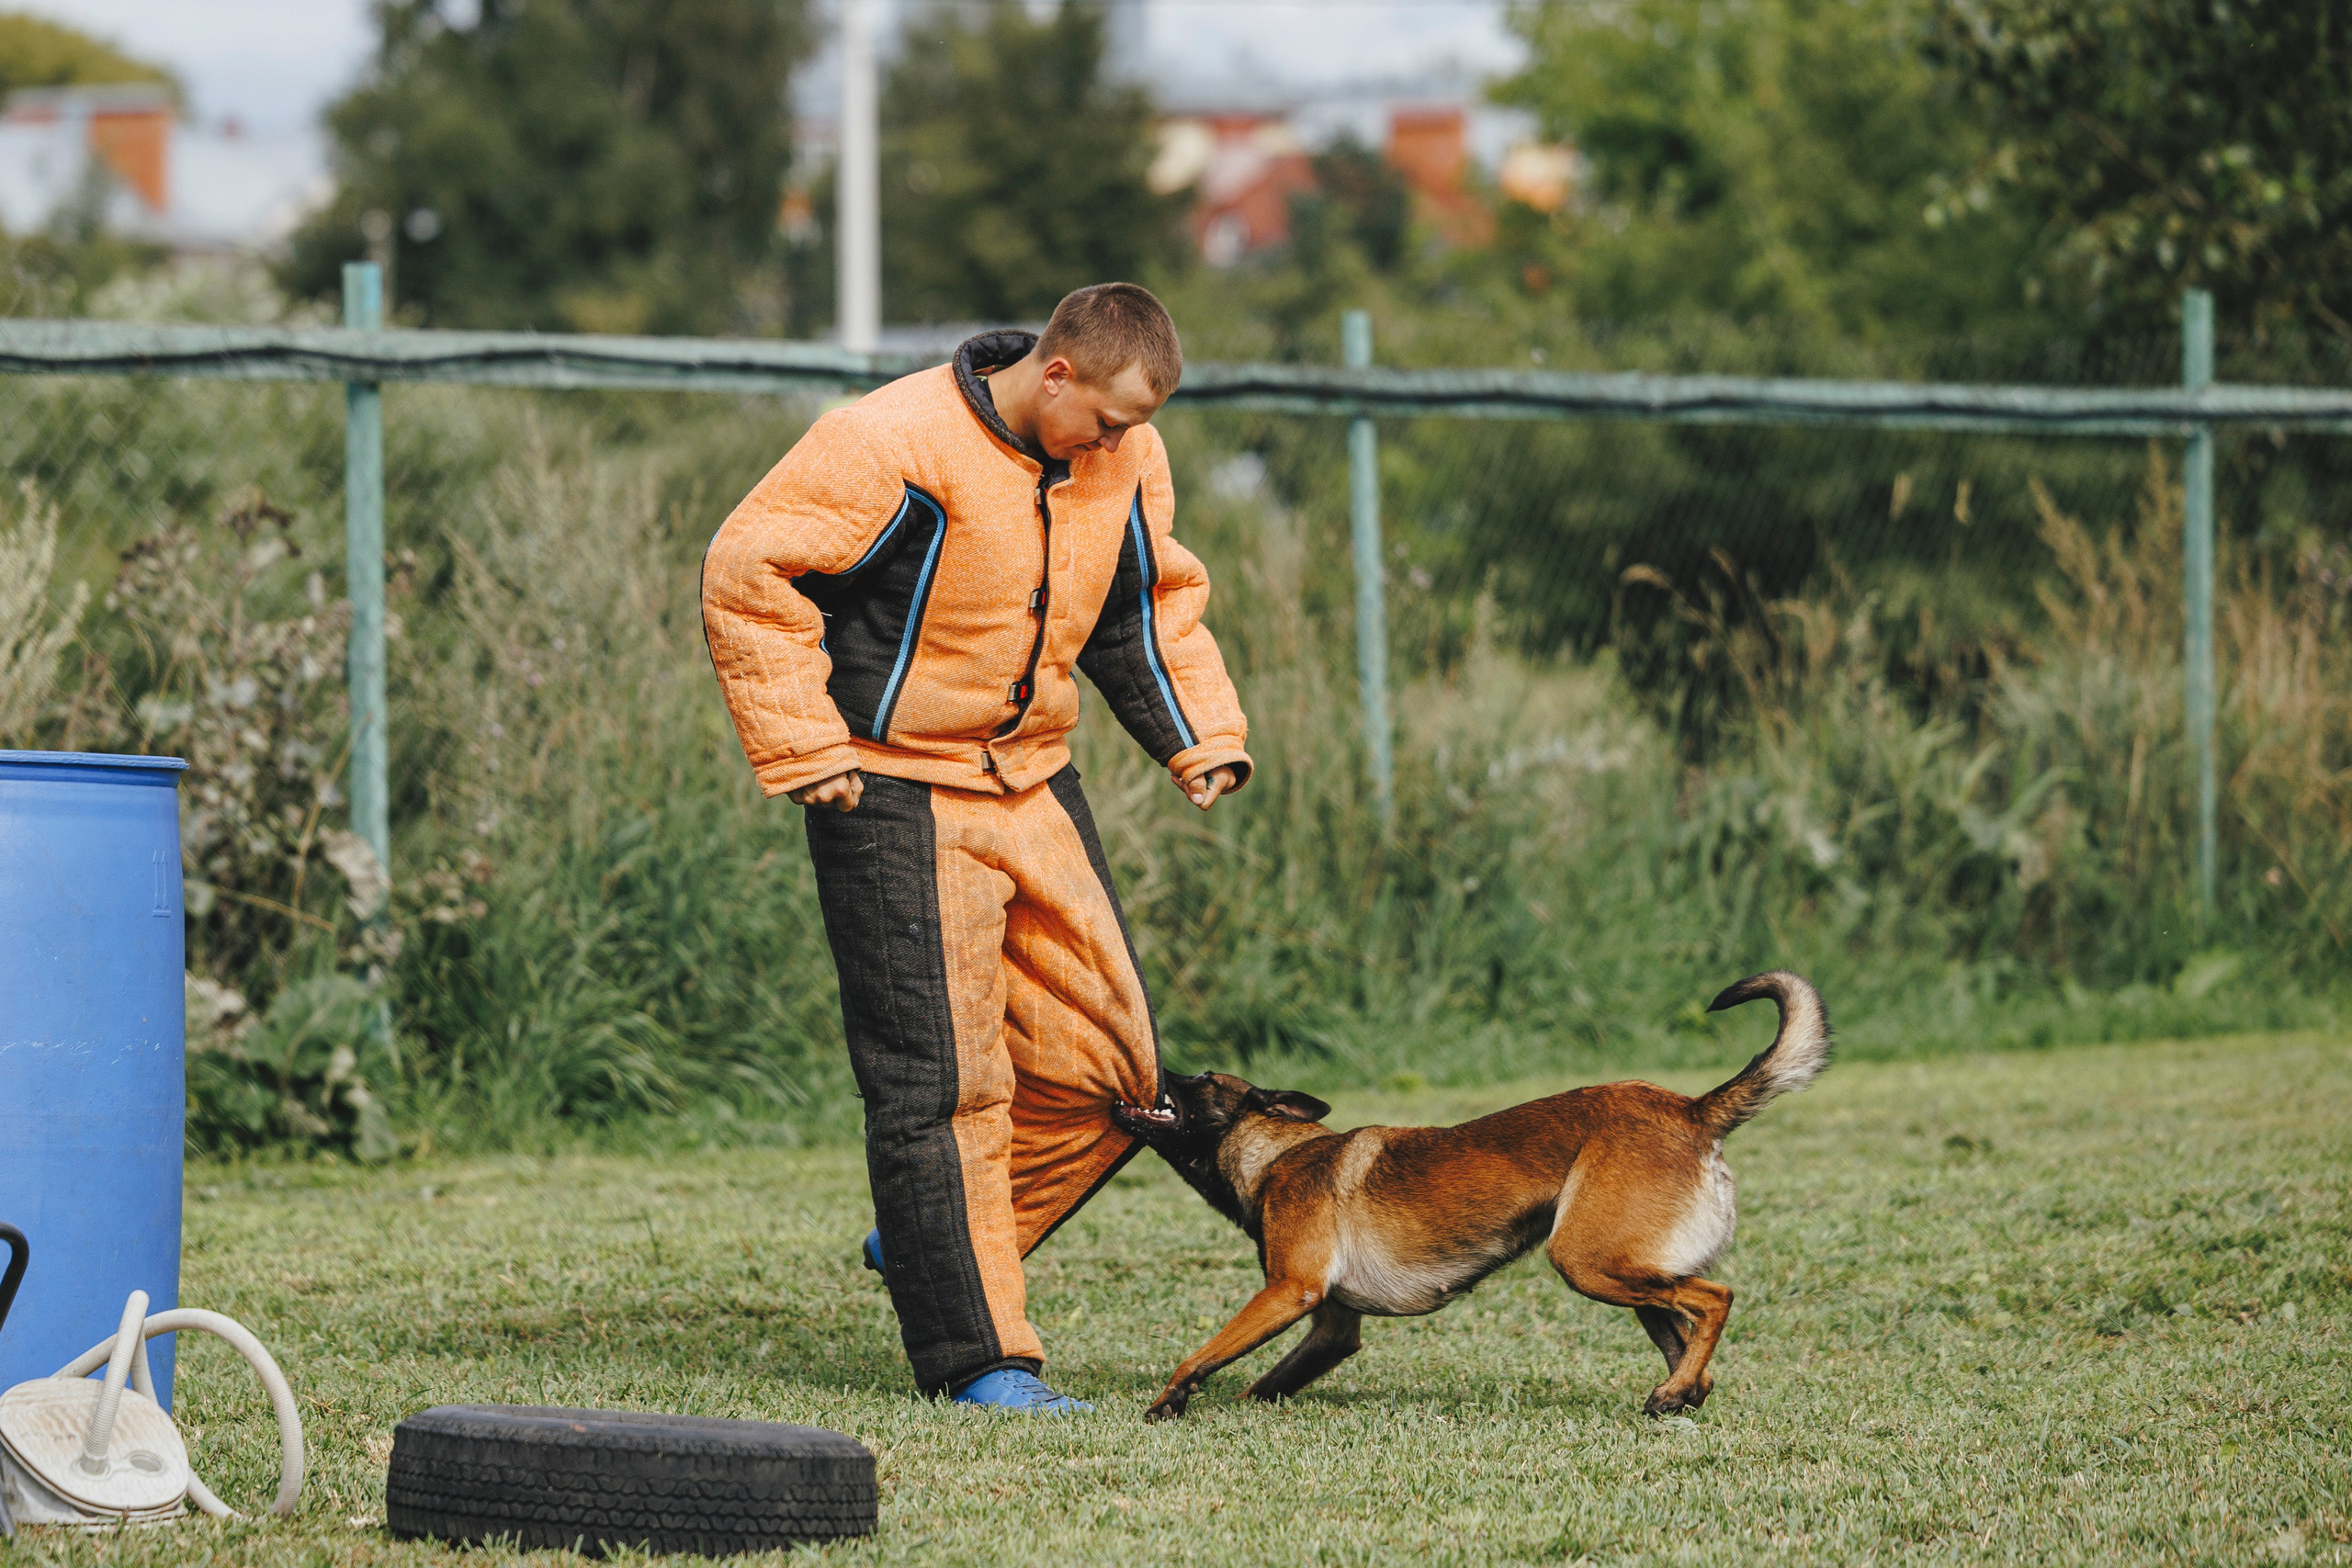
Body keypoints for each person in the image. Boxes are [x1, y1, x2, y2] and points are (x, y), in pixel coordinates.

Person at [702, 283, 1250, 1414]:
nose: (1122, 443)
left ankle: (924, 1239)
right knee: (942, 1084)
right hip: (891, 785)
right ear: (1056, 374)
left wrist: (1196, 735)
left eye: (1137, 427)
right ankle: (980, 1359)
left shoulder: (1125, 458)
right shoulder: (887, 442)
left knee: (1118, 1073)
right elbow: (751, 571)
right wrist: (804, 745)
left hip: (1032, 775)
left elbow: (1140, 605)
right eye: (1107, 420)